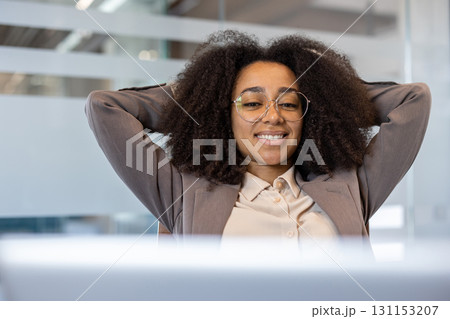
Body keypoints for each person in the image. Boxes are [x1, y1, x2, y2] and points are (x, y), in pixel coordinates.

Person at [85, 30, 431, 241]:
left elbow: (413, 100)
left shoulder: (350, 184)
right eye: (252, 102)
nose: (273, 116)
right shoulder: (181, 190)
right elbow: (105, 107)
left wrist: (335, 95)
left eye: (290, 103)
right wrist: (197, 95)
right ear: (223, 111)